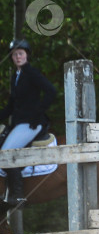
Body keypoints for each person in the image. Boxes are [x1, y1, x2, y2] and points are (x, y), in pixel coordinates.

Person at [0, 38, 57, 209]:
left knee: (6, 154)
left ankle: (18, 198)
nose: (18, 57)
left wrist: (38, 113)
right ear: (11, 57)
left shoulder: (32, 73)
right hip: (19, 123)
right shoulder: (16, 76)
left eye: (21, 53)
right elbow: (12, 105)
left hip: (32, 123)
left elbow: (51, 91)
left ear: (26, 55)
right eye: (15, 54)